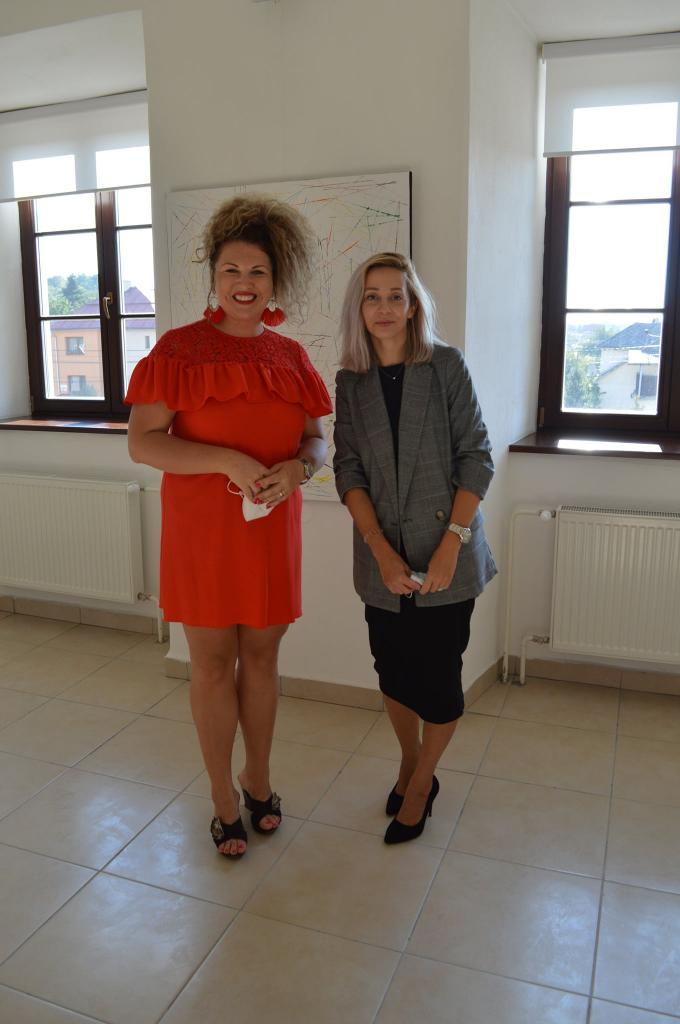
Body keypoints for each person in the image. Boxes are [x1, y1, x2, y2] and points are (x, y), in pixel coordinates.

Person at [126, 195, 332, 858]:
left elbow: (316, 439)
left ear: (275, 280)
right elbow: (144, 443)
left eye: (258, 272)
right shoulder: (178, 350)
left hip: (270, 527)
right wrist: (226, 460)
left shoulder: (290, 356)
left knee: (264, 659)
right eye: (231, 270)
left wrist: (301, 468)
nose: (245, 283)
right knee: (212, 665)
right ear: (213, 276)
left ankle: (258, 779)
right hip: (203, 534)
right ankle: (221, 795)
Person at [333, 252, 496, 844]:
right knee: (393, 672)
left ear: (412, 306)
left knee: (440, 681)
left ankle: (423, 783)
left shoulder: (445, 365)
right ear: (359, 309)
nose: (383, 307)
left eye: (394, 296)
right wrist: (379, 549)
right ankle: (409, 760)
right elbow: (348, 469)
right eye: (371, 296)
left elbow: (476, 457)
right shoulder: (352, 380)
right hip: (383, 560)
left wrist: (453, 544)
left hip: (447, 552)